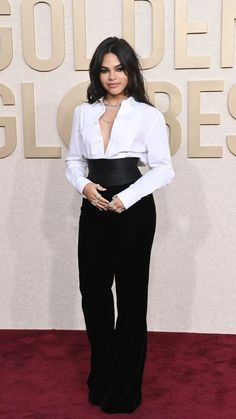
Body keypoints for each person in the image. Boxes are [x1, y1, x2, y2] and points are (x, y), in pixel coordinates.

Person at [65, 36, 174, 414]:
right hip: (93, 206)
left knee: (129, 299)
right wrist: (85, 186)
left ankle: (127, 385)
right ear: (97, 72)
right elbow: (74, 161)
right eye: (105, 69)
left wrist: (126, 197)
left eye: (120, 68)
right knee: (93, 296)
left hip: (134, 210)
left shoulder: (147, 115)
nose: (112, 76)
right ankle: (103, 375)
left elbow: (163, 169)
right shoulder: (83, 113)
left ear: (130, 71)